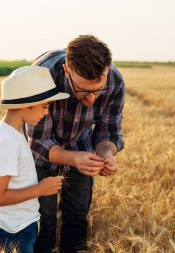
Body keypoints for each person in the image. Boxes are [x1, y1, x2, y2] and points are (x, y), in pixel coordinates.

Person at [26, 34, 125, 253]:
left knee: (77, 215)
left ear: (107, 69)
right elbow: (38, 140)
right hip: (38, 157)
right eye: (82, 90)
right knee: (44, 217)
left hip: (81, 144)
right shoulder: (42, 76)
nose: (91, 99)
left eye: (97, 89)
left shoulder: (115, 81)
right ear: (67, 70)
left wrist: (106, 154)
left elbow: (108, 131)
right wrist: (73, 158)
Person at [0, 66, 69, 253]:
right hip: (15, 229)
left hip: (10, 222)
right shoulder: (9, 142)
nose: (46, 113)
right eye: (45, 106)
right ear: (26, 105)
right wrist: (40, 189)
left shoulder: (7, 129)